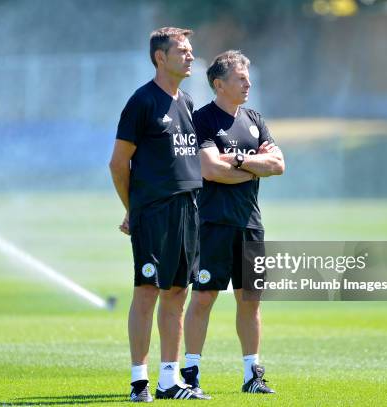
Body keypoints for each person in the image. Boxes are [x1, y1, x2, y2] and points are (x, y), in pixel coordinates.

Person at [109, 27, 209, 402]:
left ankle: (169, 381)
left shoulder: (186, 102)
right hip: (154, 211)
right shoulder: (142, 102)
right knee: (147, 290)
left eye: (190, 50)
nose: (190, 55)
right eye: (181, 50)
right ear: (160, 58)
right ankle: (139, 382)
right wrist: (132, 209)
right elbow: (119, 164)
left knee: (178, 293)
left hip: (188, 209)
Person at [181, 50, 284, 395]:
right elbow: (210, 170)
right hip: (213, 223)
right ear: (219, 84)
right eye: (241, 78)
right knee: (204, 298)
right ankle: (191, 372)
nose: (248, 83)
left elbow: (279, 165)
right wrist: (255, 163)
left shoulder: (254, 117)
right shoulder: (203, 119)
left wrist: (237, 159)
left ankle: (251, 376)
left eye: (247, 77)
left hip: (250, 224)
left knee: (250, 300)